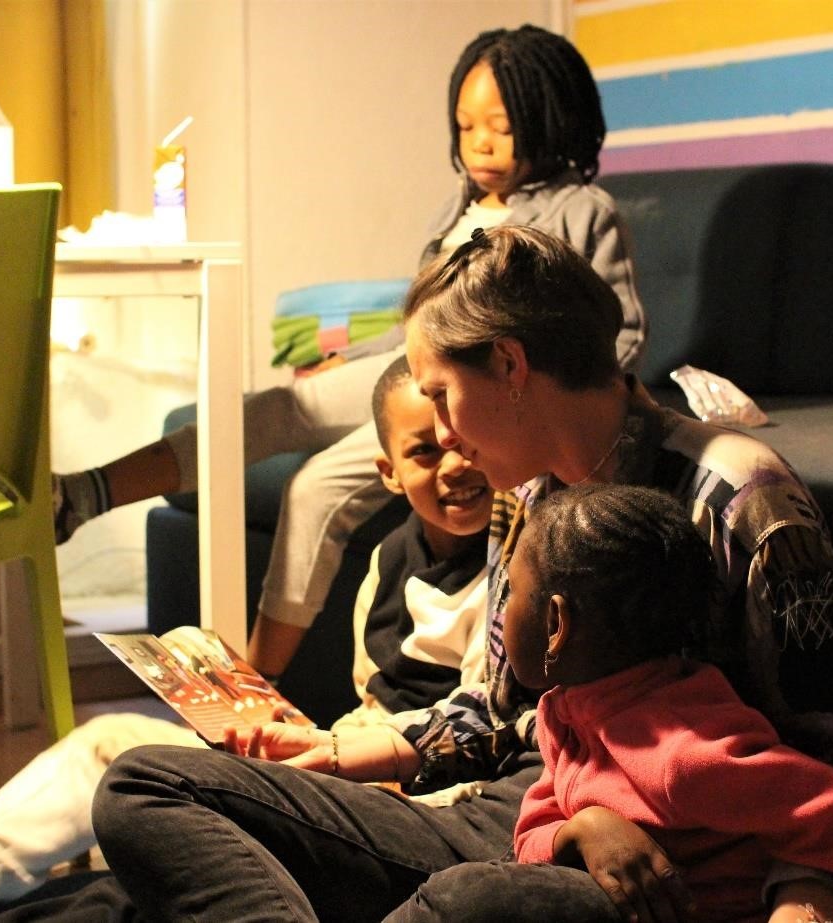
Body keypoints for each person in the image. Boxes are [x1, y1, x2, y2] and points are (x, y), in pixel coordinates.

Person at [87, 226, 833, 923]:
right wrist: (336, 754)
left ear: (512, 366)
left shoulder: (739, 492)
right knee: (147, 785)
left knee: (468, 903)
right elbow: (497, 710)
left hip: (671, 869)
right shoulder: (525, 494)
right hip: (537, 815)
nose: (443, 435)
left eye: (442, 395)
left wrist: (800, 909)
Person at [0, 355, 493, 923]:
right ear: (388, 472)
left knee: (142, 833)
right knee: (111, 740)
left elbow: (472, 732)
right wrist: (275, 724)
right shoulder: (386, 562)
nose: (455, 467)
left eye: (467, 446)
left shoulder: (507, 568)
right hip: (351, 759)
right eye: (426, 452)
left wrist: (338, 762)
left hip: (418, 799)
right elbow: (371, 696)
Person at [44, 24, 646, 684]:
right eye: (466, 125)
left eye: (500, 127)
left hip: (486, 396)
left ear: (551, 119)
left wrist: (538, 399)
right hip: (416, 373)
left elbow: (618, 332)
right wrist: (354, 355)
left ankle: (250, 684)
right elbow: (419, 319)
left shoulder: (581, 211)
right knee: (279, 407)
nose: (480, 144)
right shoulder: (457, 210)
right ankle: (84, 494)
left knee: (314, 488)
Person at [441, 482, 833, 923]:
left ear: (556, 625)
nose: (503, 610)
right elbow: (529, 836)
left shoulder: (685, 760)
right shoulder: (568, 713)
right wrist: (581, 829)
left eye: (511, 594)